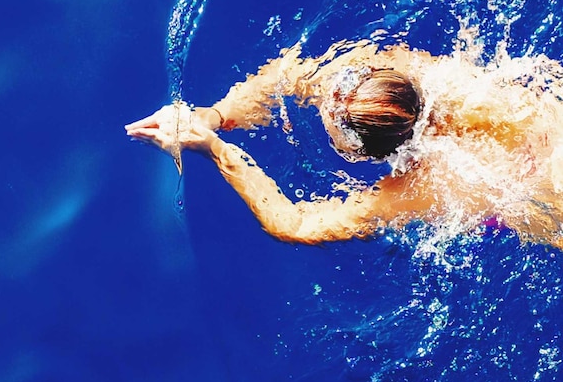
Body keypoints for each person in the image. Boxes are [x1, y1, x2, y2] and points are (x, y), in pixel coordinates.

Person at [126, 38, 563, 248]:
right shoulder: (414, 77)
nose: (323, 91)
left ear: (359, 152)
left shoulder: (423, 187)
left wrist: (214, 148)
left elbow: (294, 225)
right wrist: (212, 116)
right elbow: (289, 75)